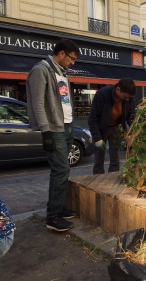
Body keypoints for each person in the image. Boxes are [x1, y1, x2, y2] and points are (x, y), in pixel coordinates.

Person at [26, 38, 80, 232]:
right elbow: (38, 103)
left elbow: (64, 101)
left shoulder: (62, 72)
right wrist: (45, 131)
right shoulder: (41, 70)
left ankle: (57, 207)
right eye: (71, 58)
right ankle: (53, 217)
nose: (73, 63)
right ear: (61, 54)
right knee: (61, 170)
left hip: (66, 126)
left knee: (62, 171)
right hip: (54, 128)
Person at [88, 79, 136, 174]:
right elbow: (92, 119)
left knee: (115, 159)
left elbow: (131, 116)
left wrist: (133, 132)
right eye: (125, 96)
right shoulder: (102, 95)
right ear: (118, 89)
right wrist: (97, 138)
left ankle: (112, 180)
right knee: (99, 159)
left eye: (129, 97)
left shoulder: (129, 98)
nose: (127, 99)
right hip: (100, 129)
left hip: (116, 128)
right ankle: (98, 181)